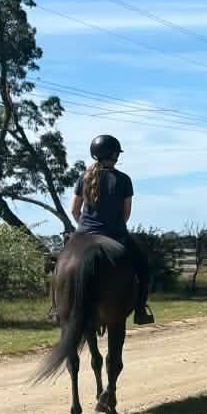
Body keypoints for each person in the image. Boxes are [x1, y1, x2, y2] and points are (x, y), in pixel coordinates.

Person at [71, 134, 154, 325]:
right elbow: (126, 213)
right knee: (143, 266)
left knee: (61, 263)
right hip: (115, 234)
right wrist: (114, 227)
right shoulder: (124, 180)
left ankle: (56, 309)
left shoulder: (83, 178)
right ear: (115, 154)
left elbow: (75, 210)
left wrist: (84, 227)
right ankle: (141, 310)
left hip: (84, 234)